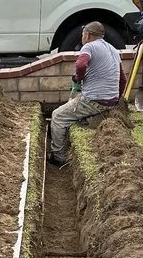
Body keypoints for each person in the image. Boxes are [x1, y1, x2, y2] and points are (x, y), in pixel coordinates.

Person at [48, 21, 126, 166]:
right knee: (74, 106)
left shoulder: (89, 46)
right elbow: (123, 79)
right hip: (110, 100)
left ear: (88, 35)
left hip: (94, 100)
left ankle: (58, 156)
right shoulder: (113, 50)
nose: (82, 37)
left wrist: (79, 77)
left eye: (83, 34)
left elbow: (80, 64)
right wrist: (116, 99)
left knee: (58, 116)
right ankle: (83, 121)